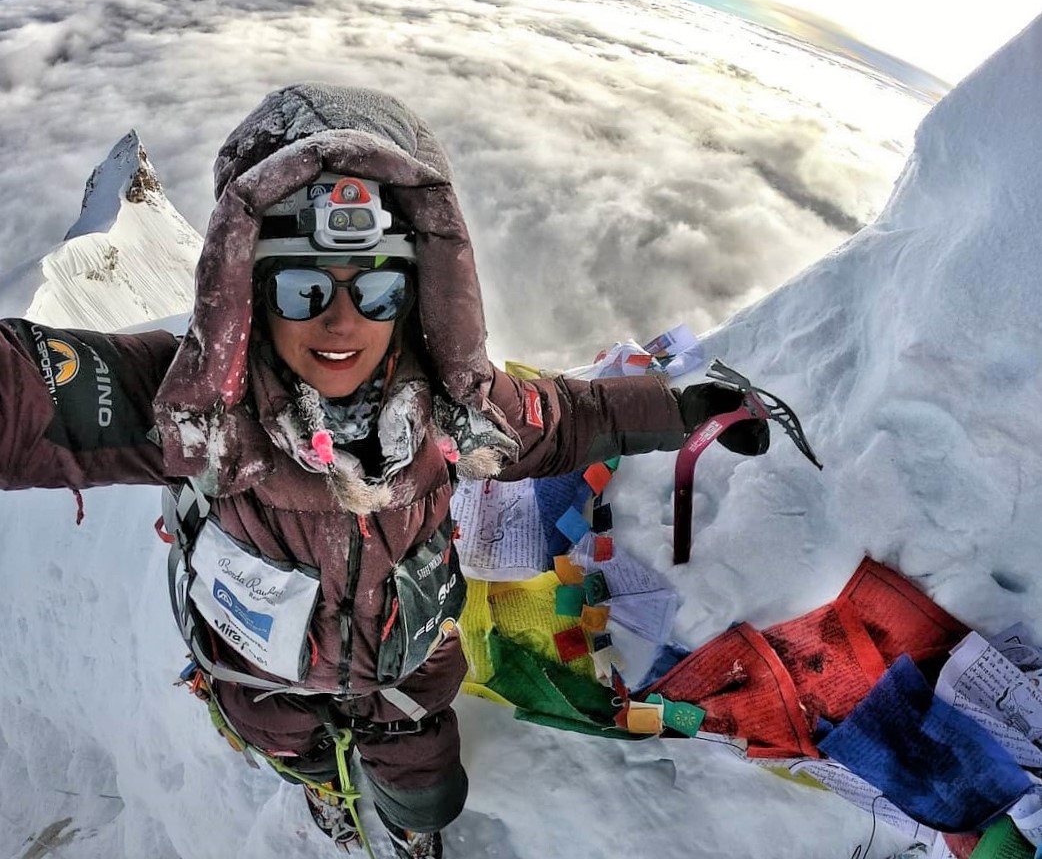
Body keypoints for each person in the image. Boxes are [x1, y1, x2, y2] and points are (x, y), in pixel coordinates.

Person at [0, 83, 768, 858]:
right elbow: (25, 393)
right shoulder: (189, 405)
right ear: (250, 293)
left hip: (408, 672)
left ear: (416, 296)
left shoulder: (458, 407)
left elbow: (571, 420)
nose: (341, 320)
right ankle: (329, 789)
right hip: (261, 676)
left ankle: (406, 821)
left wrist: (678, 410)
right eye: (303, 287)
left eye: (376, 287)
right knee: (294, 751)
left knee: (430, 790)